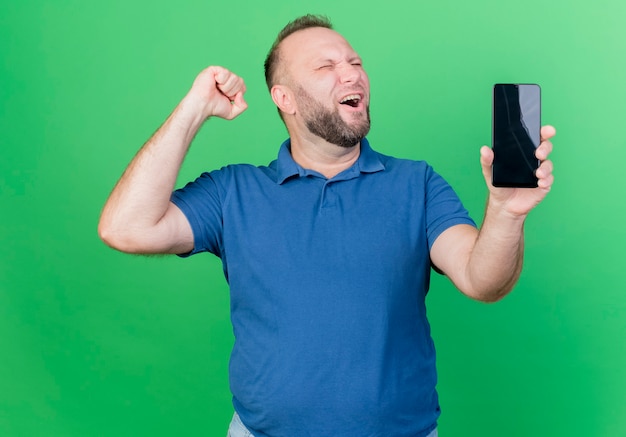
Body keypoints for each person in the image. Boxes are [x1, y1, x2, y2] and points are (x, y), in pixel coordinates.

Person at [98, 14, 555, 437]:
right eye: (327, 66)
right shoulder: (232, 191)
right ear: (285, 98)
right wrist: (195, 107)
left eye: (355, 62)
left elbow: (483, 280)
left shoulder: (415, 183)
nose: (352, 73)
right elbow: (126, 228)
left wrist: (507, 212)